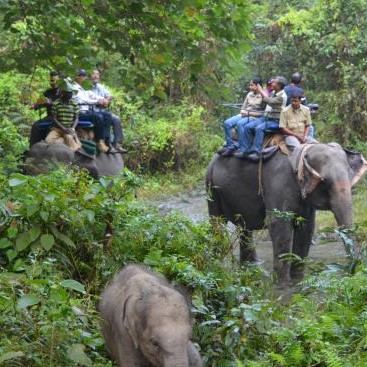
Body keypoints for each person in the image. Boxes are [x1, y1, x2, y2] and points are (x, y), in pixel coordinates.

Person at [234, 76, 288, 158]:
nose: (272, 84)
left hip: (275, 120)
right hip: (266, 117)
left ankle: (256, 151)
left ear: (279, 86)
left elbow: (269, 101)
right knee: (248, 126)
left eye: (274, 83)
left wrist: (261, 91)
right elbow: (264, 99)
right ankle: (245, 150)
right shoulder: (274, 92)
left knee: (259, 128)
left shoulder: (282, 96)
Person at [218, 77, 265, 157]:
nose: (250, 87)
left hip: (253, 116)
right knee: (227, 123)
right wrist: (243, 111)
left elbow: (263, 113)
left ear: (258, 86)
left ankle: (243, 147)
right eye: (249, 85)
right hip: (244, 114)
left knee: (240, 123)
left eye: (252, 85)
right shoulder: (249, 94)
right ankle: (230, 146)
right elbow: (243, 106)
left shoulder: (263, 96)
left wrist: (249, 113)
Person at [71, 69, 115, 153]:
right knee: (98, 117)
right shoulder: (74, 88)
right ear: (77, 77)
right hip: (78, 113)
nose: (85, 78)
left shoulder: (85, 88)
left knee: (107, 115)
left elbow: (93, 95)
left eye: (85, 76)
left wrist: (103, 100)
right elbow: (83, 100)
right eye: (83, 76)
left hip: (87, 112)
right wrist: (97, 101)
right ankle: (100, 142)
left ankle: (106, 140)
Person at [90, 69, 126, 152]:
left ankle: (117, 144)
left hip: (102, 110)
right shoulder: (87, 87)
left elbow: (110, 95)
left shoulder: (100, 87)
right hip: (92, 110)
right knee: (104, 117)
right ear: (89, 76)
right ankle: (106, 142)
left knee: (116, 119)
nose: (95, 76)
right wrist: (100, 102)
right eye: (93, 74)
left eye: (97, 74)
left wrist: (106, 100)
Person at [45, 80, 81, 151]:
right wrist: (63, 128)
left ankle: (75, 150)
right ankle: (62, 141)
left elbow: (76, 118)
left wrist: (72, 128)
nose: (71, 95)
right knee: (48, 140)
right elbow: (54, 118)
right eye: (69, 93)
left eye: (71, 93)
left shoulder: (74, 104)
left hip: (69, 128)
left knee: (69, 138)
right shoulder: (56, 103)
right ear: (63, 93)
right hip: (57, 129)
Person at [29, 71, 62, 146]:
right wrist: (34, 106)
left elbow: (65, 103)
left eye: (54, 81)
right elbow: (40, 102)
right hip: (50, 116)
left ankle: (34, 147)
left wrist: (51, 102)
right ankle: (33, 148)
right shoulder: (48, 92)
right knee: (36, 126)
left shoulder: (63, 92)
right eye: (51, 81)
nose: (52, 83)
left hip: (60, 116)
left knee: (36, 126)